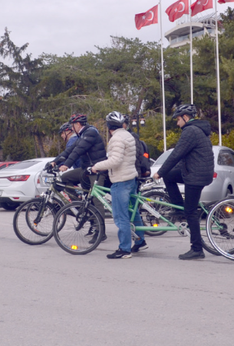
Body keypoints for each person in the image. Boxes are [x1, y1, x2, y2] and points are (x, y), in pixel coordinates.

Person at [153, 104, 214, 260]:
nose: (177, 123)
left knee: (191, 212)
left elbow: (176, 155)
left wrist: (160, 172)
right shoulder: (198, 130)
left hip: (196, 175)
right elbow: (186, 157)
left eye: (178, 119)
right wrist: (166, 173)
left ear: (186, 117)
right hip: (198, 172)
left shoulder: (190, 131)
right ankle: (180, 209)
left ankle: (197, 249)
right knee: (170, 176)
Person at [91, 112, 147, 259]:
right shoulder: (128, 135)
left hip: (120, 180)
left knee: (120, 216)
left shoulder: (116, 138)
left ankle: (124, 249)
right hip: (131, 177)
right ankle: (140, 241)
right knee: (132, 213)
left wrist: (96, 166)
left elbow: (115, 160)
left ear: (109, 126)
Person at [51, 114, 107, 191]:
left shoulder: (90, 133)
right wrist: (54, 162)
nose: (72, 129)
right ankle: (76, 203)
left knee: (96, 199)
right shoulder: (82, 135)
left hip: (96, 170)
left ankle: (86, 202)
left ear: (78, 124)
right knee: (64, 178)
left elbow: (78, 150)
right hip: (86, 168)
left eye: (72, 125)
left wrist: (66, 165)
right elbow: (70, 150)